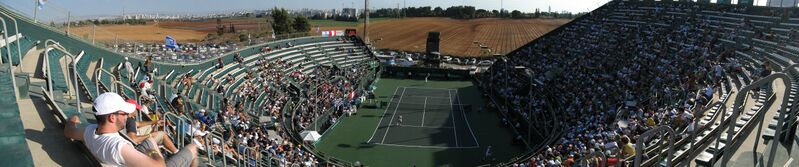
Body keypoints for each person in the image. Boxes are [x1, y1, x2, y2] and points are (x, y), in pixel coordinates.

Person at [63, 92, 199, 167]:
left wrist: (72, 120)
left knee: (151, 139)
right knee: (193, 147)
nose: (128, 116)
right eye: (124, 114)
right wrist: (153, 151)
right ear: (112, 117)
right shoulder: (119, 147)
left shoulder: (90, 130)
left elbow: (68, 131)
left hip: (123, 159)